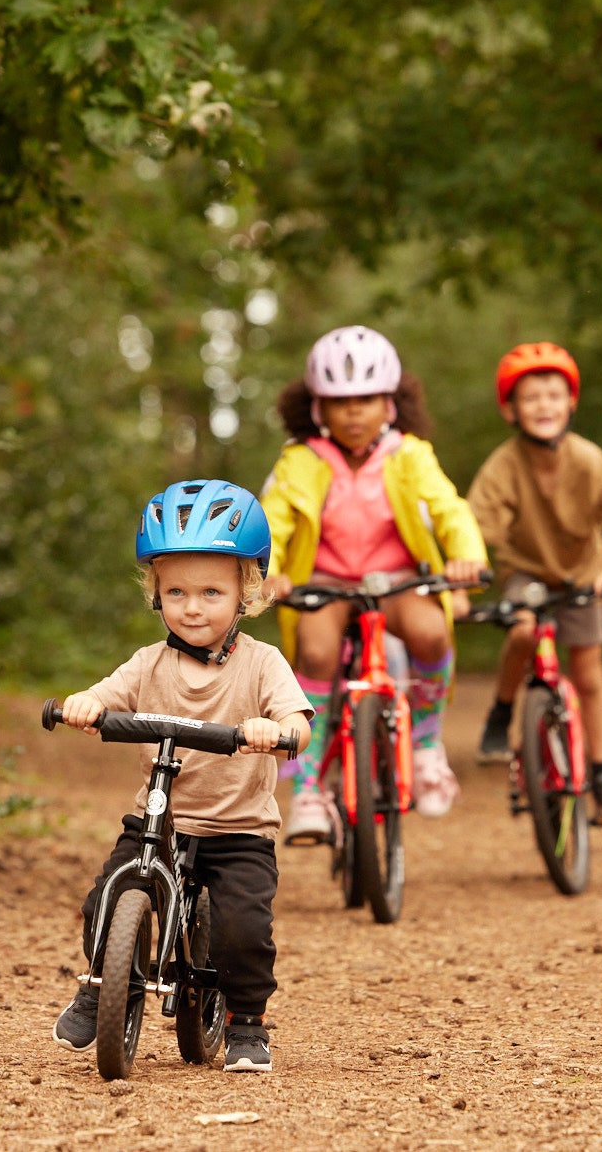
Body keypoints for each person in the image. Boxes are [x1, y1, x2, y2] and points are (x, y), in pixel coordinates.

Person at [51, 479, 311, 1074]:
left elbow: (297, 717)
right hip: (158, 821)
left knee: (244, 928)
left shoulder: (263, 662)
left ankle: (248, 1023)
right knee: (106, 895)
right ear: (156, 594)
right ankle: (102, 987)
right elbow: (106, 693)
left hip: (236, 829)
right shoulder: (151, 662)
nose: (193, 607)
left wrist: (281, 729)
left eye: (212, 591)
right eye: (177, 592)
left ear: (248, 593)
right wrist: (85, 705)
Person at [258, 326, 488, 840]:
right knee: (315, 654)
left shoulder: (410, 454)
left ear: (390, 403)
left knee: (432, 635)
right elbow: (274, 521)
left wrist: (465, 557)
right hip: (326, 581)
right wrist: (268, 571)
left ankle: (427, 745)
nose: (354, 412)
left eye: (365, 399)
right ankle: (310, 788)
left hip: (398, 579)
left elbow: (449, 509)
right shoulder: (301, 460)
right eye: (339, 402)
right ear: (317, 408)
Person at [468, 342, 602, 824]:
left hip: (584, 576)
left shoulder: (589, 460)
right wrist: (465, 576)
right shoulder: (503, 465)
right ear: (511, 409)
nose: (543, 405)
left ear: (571, 403)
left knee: (589, 675)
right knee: (523, 630)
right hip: (527, 572)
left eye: (553, 394)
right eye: (531, 397)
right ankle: (503, 712)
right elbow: (475, 530)